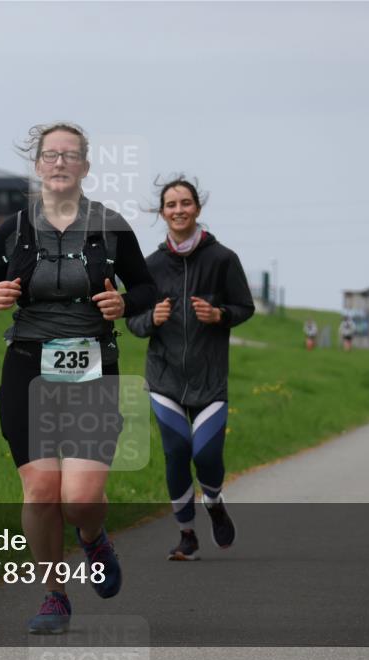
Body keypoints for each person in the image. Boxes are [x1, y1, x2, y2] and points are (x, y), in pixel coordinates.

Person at [0, 122, 156, 633]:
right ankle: (53, 595)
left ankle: (93, 538)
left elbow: (147, 289)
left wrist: (125, 302)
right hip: (28, 364)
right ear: (38, 164)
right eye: (51, 155)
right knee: (42, 490)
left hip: (92, 364)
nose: (60, 163)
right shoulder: (15, 229)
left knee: (80, 498)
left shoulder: (111, 226)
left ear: (85, 167)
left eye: (70, 155)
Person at [127, 177, 255, 561]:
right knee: (177, 451)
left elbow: (245, 307)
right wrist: (153, 317)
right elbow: (132, 321)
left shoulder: (223, 260)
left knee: (207, 454)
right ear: (162, 212)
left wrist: (220, 314)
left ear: (197, 208)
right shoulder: (149, 267)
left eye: (185, 203)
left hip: (209, 377)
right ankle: (187, 535)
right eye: (171, 204)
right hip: (165, 377)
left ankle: (213, 501)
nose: (178, 210)